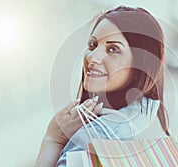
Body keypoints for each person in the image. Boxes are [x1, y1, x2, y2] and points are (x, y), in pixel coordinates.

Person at [35, 5, 170, 167]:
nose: (92, 57)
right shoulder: (149, 113)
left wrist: (53, 139)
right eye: (93, 45)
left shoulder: (95, 136)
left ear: (139, 65)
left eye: (113, 49)